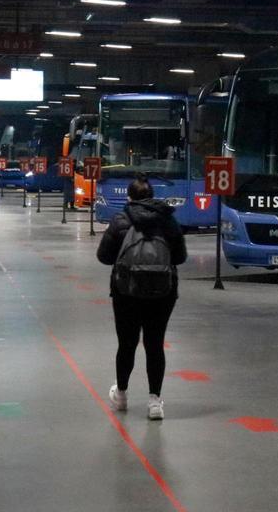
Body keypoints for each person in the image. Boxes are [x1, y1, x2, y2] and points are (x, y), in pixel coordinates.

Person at [96, 174, 187, 420]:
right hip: (162, 292)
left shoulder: (120, 220)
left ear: (129, 197)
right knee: (155, 344)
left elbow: (103, 256)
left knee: (127, 343)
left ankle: (122, 394)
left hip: (126, 290)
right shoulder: (168, 221)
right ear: (152, 197)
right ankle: (155, 402)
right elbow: (180, 257)